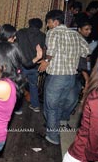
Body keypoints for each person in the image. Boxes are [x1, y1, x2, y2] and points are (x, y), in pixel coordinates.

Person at [38, 10, 90, 145]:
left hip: (57, 76)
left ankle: (53, 136)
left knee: (51, 107)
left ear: (55, 22)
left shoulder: (53, 32)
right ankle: (55, 126)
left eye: (48, 23)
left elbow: (52, 49)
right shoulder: (75, 34)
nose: (48, 26)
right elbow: (86, 51)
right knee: (59, 103)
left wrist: (46, 61)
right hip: (71, 77)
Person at [63, 60, 98, 162]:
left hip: (75, 77)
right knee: (62, 102)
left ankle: (63, 121)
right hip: (81, 156)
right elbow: (93, 145)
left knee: (70, 100)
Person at [16, 18, 46, 113]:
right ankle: (35, 106)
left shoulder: (21, 32)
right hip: (35, 65)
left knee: (19, 86)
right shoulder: (43, 35)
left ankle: (18, 109)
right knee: (33, 86)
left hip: (22, 64)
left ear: (29, 24)